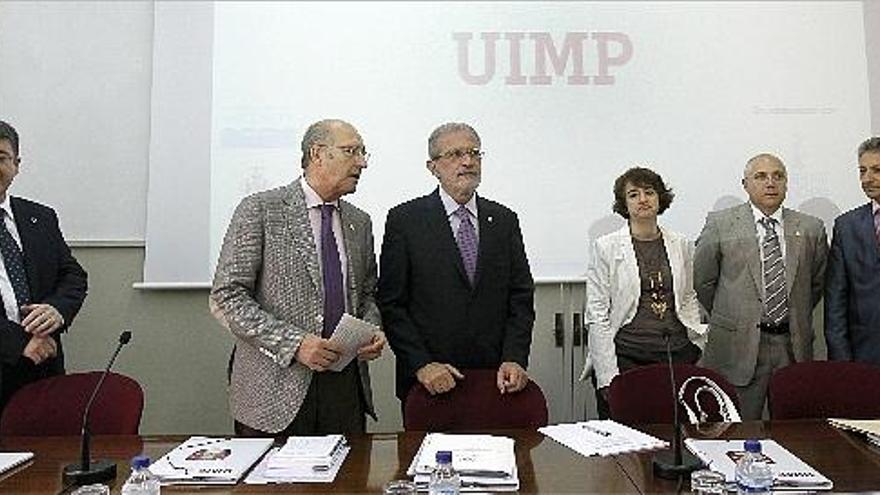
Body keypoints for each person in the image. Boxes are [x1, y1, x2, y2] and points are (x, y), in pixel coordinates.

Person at [210, 119, 386, 436]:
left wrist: (371, 331)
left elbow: (368, 295)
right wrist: (295, 344)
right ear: (317, 153)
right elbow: (227, 297)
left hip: (344, 391)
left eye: (363, 153)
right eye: (351, 151)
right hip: (274, 392)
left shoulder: (360, 222)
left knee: (348, 485)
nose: (361, 162)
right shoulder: (260, 210)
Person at [378, 122, 535, 410]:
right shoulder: (405, 221)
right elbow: (391, 304)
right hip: (430, 383)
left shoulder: (503, 220)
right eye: (455, 154)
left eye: (474, 153)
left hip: (496, 380)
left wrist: (515, 357)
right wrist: (421, 364)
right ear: (432, 166)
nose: (468, 161)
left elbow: (520, 296)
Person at [694, 153, 827, 420]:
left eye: (778, 176)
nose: (770, 183)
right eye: (761, 176)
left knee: (795, 432)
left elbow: (816, 283)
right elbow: (704, 281)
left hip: (792, 345)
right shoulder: (720, 224)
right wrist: (737, 316)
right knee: (738, 431)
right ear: (745, 184)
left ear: (787, 184)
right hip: (737, 346)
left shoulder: (811, 228)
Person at [581, 167, 706, 419]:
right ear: (623, 203)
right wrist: (607, 376)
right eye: (633, 194)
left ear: (660, 198)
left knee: (674, 438)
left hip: (675, 354)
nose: (643, 199)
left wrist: (697, 346)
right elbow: (597, 314)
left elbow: (688, 296)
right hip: (627, 355)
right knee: (626, 445)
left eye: (649, 192)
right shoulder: (605, 247)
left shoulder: (681, 244)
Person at [0, 120, 88, 412]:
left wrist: (57, 310)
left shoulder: (40, 217)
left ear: (16, 164)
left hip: (44, 366)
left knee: (49, 454)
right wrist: (18, 343)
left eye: (0, 157)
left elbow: (72, 276)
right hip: (11, 356)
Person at [825, 137, 880, 364]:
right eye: (862, 171)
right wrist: (842, 362)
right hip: (864, 356)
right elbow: (836, 301)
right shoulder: (846, 226)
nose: (867, 178)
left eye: (877, 170)